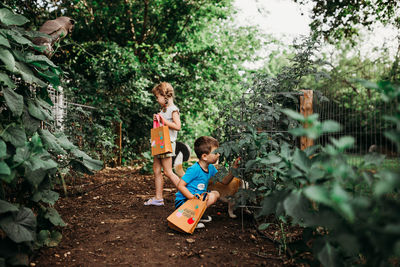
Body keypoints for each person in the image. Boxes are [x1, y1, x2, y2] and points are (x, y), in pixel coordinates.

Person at [175, 136, 240, 229]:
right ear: (204, 156)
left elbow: (225, 181)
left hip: (197, 200)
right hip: (184, 202)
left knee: (215, 194)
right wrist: (191, 197)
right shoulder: (194, 169)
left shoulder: (211, 168)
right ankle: (190, 218)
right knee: (205, 197)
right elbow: (180, 185)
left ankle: (197, 214)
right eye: (216, 153)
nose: (218, 155)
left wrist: (234, 167)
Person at [144, 82, 181, 206]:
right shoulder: (163, 110)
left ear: (165, 95)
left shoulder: (173, 110)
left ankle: (187, 192)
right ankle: (158, 197)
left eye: (157, 96)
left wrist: (164, 121)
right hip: (159, 143)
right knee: (156, 170)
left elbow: (177, 126)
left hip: (167, 143)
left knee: (168, 172)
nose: (156, 99)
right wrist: (158, 120)